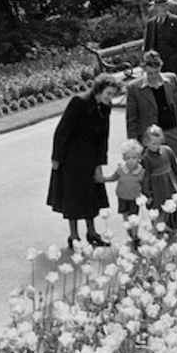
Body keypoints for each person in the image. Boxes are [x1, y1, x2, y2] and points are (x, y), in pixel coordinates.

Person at [46, 74, 119, 248]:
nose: (110, 98)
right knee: (73, 196)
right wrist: (56, 158)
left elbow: (103, 138)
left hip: (91, 157)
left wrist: (100, 164)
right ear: (99, 89)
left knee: (91, 195)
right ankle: (74, 235)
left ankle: (92, 232)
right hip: (71, 158)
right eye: (108, 93)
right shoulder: (79, 102)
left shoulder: (106, 107)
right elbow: (62, 131)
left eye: (113, 94)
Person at [126, 50, 177, 169]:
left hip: (172, 133)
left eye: (156, 72)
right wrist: (134, 146)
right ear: (144, 70)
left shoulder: (172, 79)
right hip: (150, 140)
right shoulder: (134, 88)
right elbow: (131, 120)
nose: (153, 76)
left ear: (161, 67)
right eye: (150, 73)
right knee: (154, 175)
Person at [143, 0, 177, 119]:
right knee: (160, 86)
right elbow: (148, 44)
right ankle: (167, 112)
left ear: (167, 6)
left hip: (173, 58)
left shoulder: (176, 21)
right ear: (155, 8)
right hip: (158, 61)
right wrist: (146, 60)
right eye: (158, 6)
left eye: (164, 6)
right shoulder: (151, 24)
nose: (161, 8)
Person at [141, 124, 177, 231]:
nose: (156, 146)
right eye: (153, 144)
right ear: (146, 142)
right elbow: (145, 176)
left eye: (158, 143)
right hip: (157, 187)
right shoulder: (146, 158)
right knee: (159, 207)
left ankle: (175, 223)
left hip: (170, 182)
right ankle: (159, 227)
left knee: (174, 202)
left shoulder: (167, 150)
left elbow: (175, 165)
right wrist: (147, 193)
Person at [101, 138, 145, 229]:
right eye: (128, 158)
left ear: (139, 158)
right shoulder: (121, 169)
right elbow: (113, 177)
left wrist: (147, 196)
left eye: (134, 158)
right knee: (125, 216)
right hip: (122, 197)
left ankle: (135, 235)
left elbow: (145, 185)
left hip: (134, 198)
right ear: (124, 158)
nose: (131, 160)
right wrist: (103, 179)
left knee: (134, 218)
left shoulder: (141, 171)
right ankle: (128, 233)